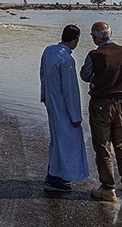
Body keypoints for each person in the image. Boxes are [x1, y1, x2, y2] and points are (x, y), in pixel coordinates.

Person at [80, 21, 122, 202]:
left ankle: (108, 188)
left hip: (101, 103)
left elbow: (85, 75)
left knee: (103, 146)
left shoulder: (95, 55)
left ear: (95, 37)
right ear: (110, 34)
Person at [39, 24, 89, 192]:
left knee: (56, 140)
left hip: (52, 103)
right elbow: (70, 90)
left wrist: (44, 95)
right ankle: (56, 178)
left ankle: (54, 174)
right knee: (68, 142)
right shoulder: (67, 60)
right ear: (75, 40)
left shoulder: (49, 51)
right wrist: (76, 116)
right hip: (63, 108)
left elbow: (43, 75)